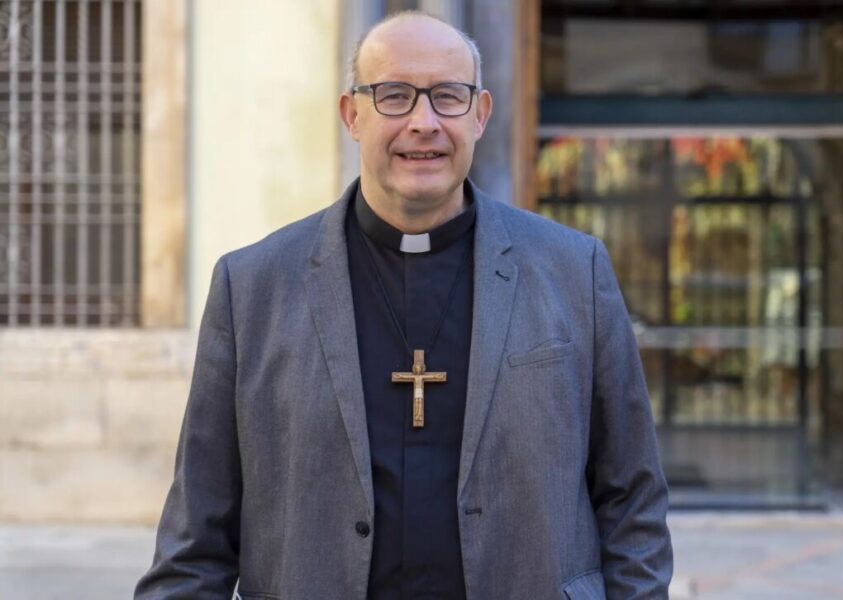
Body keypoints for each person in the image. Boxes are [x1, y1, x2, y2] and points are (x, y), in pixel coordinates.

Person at [135, 11, 672, 600]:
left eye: (447, 97)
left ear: (481, 114)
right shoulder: (253, 286)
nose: (424, 123)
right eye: (394, 96)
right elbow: (196, 541)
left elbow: (633, 500)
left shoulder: (574, 270)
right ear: (352, 115)